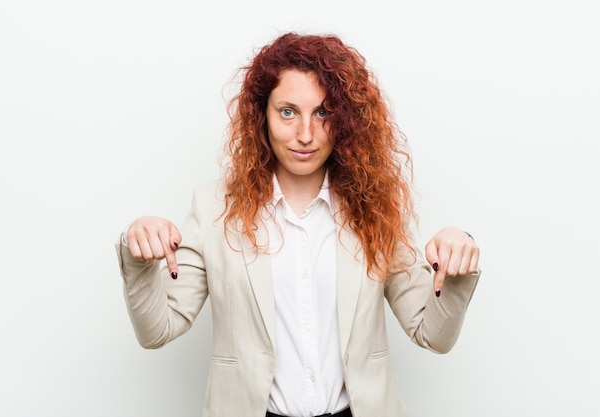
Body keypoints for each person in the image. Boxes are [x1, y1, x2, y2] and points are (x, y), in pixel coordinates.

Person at [115, 32, 480, 417]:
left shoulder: (373, 208)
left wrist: (458, 259)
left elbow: (432, 334)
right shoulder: (213, 208)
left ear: (344, 120)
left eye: (322, 113)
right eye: (288, 111)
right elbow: (158, 330)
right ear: (262, 116)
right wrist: (138, 252)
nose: (305, 134)